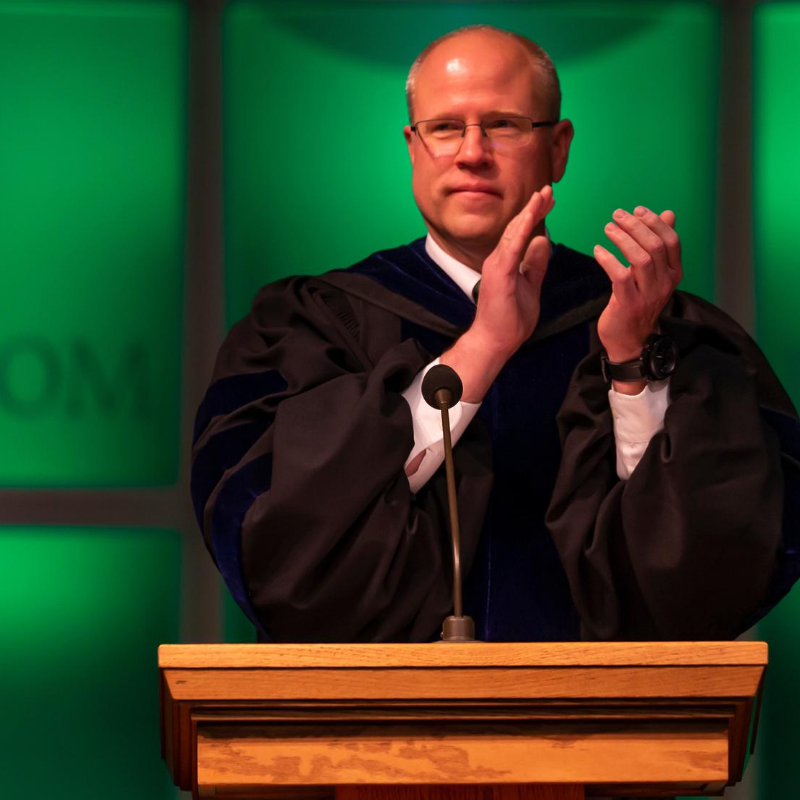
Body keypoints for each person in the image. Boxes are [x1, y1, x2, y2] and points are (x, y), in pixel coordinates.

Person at [191, 25, 800, 645]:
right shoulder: (315, 327)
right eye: (446, 127)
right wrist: (483, 346)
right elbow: (278, 551)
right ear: (413, 146)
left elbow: (712, 582)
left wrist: (631, 365)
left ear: (558, 147)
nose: (471, 152)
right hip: (377, 731)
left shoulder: (654, 324)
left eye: (505, 124)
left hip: (608, 731)